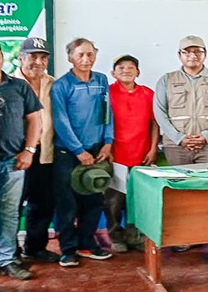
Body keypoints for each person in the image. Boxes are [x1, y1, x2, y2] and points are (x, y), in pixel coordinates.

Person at [154, 35, 208, 262]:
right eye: (187, 52)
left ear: (204, 54)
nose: (192, 56)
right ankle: (184, 238)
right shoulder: (166, 80)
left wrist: (207, 136)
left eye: (197, 52)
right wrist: (179, 138)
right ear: (179, 55)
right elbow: (160, 113)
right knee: (182, 195)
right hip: (177, 147)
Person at [0, 38, 42, 281]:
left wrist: (29, 150)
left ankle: (7, 259)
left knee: (10, 212)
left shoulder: (19, 87)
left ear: (3, 57)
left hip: (14, 160)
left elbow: (34, 120)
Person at [51, 38, 115, 267]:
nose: (86, 59)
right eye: (80, 55)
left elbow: (108, 113)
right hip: (68, 153)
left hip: (97, 150)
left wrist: (108, 143)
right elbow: (61, 121)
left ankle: (87, 243)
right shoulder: (61, 85)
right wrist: (79, 151)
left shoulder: (101, 80)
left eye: (90, 54)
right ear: (70, 57)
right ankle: (68, 249)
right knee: (67, 204)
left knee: (93, 200)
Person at [104, 54, 158, 253]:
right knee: (113, 202)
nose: (126, 70)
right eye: (121, 67)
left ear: (138, 72)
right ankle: (115, 236)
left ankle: (134, 236)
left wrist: (152, 149)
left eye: (131, 67)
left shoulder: (148, 94)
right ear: (113, 73)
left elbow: (154, 123)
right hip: (115, 156)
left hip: (142, 156)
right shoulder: (107, 93)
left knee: (139, 200)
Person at [13, 37, 61, 264]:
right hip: (17, 156)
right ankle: (10, 253)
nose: (38, 62)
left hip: (46, 153)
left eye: (43, 57)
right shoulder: (9, 83)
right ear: (21, 58)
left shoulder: (53, 83)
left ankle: (35, 247)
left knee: (43, 203)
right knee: (12, 205)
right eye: (33, 57)